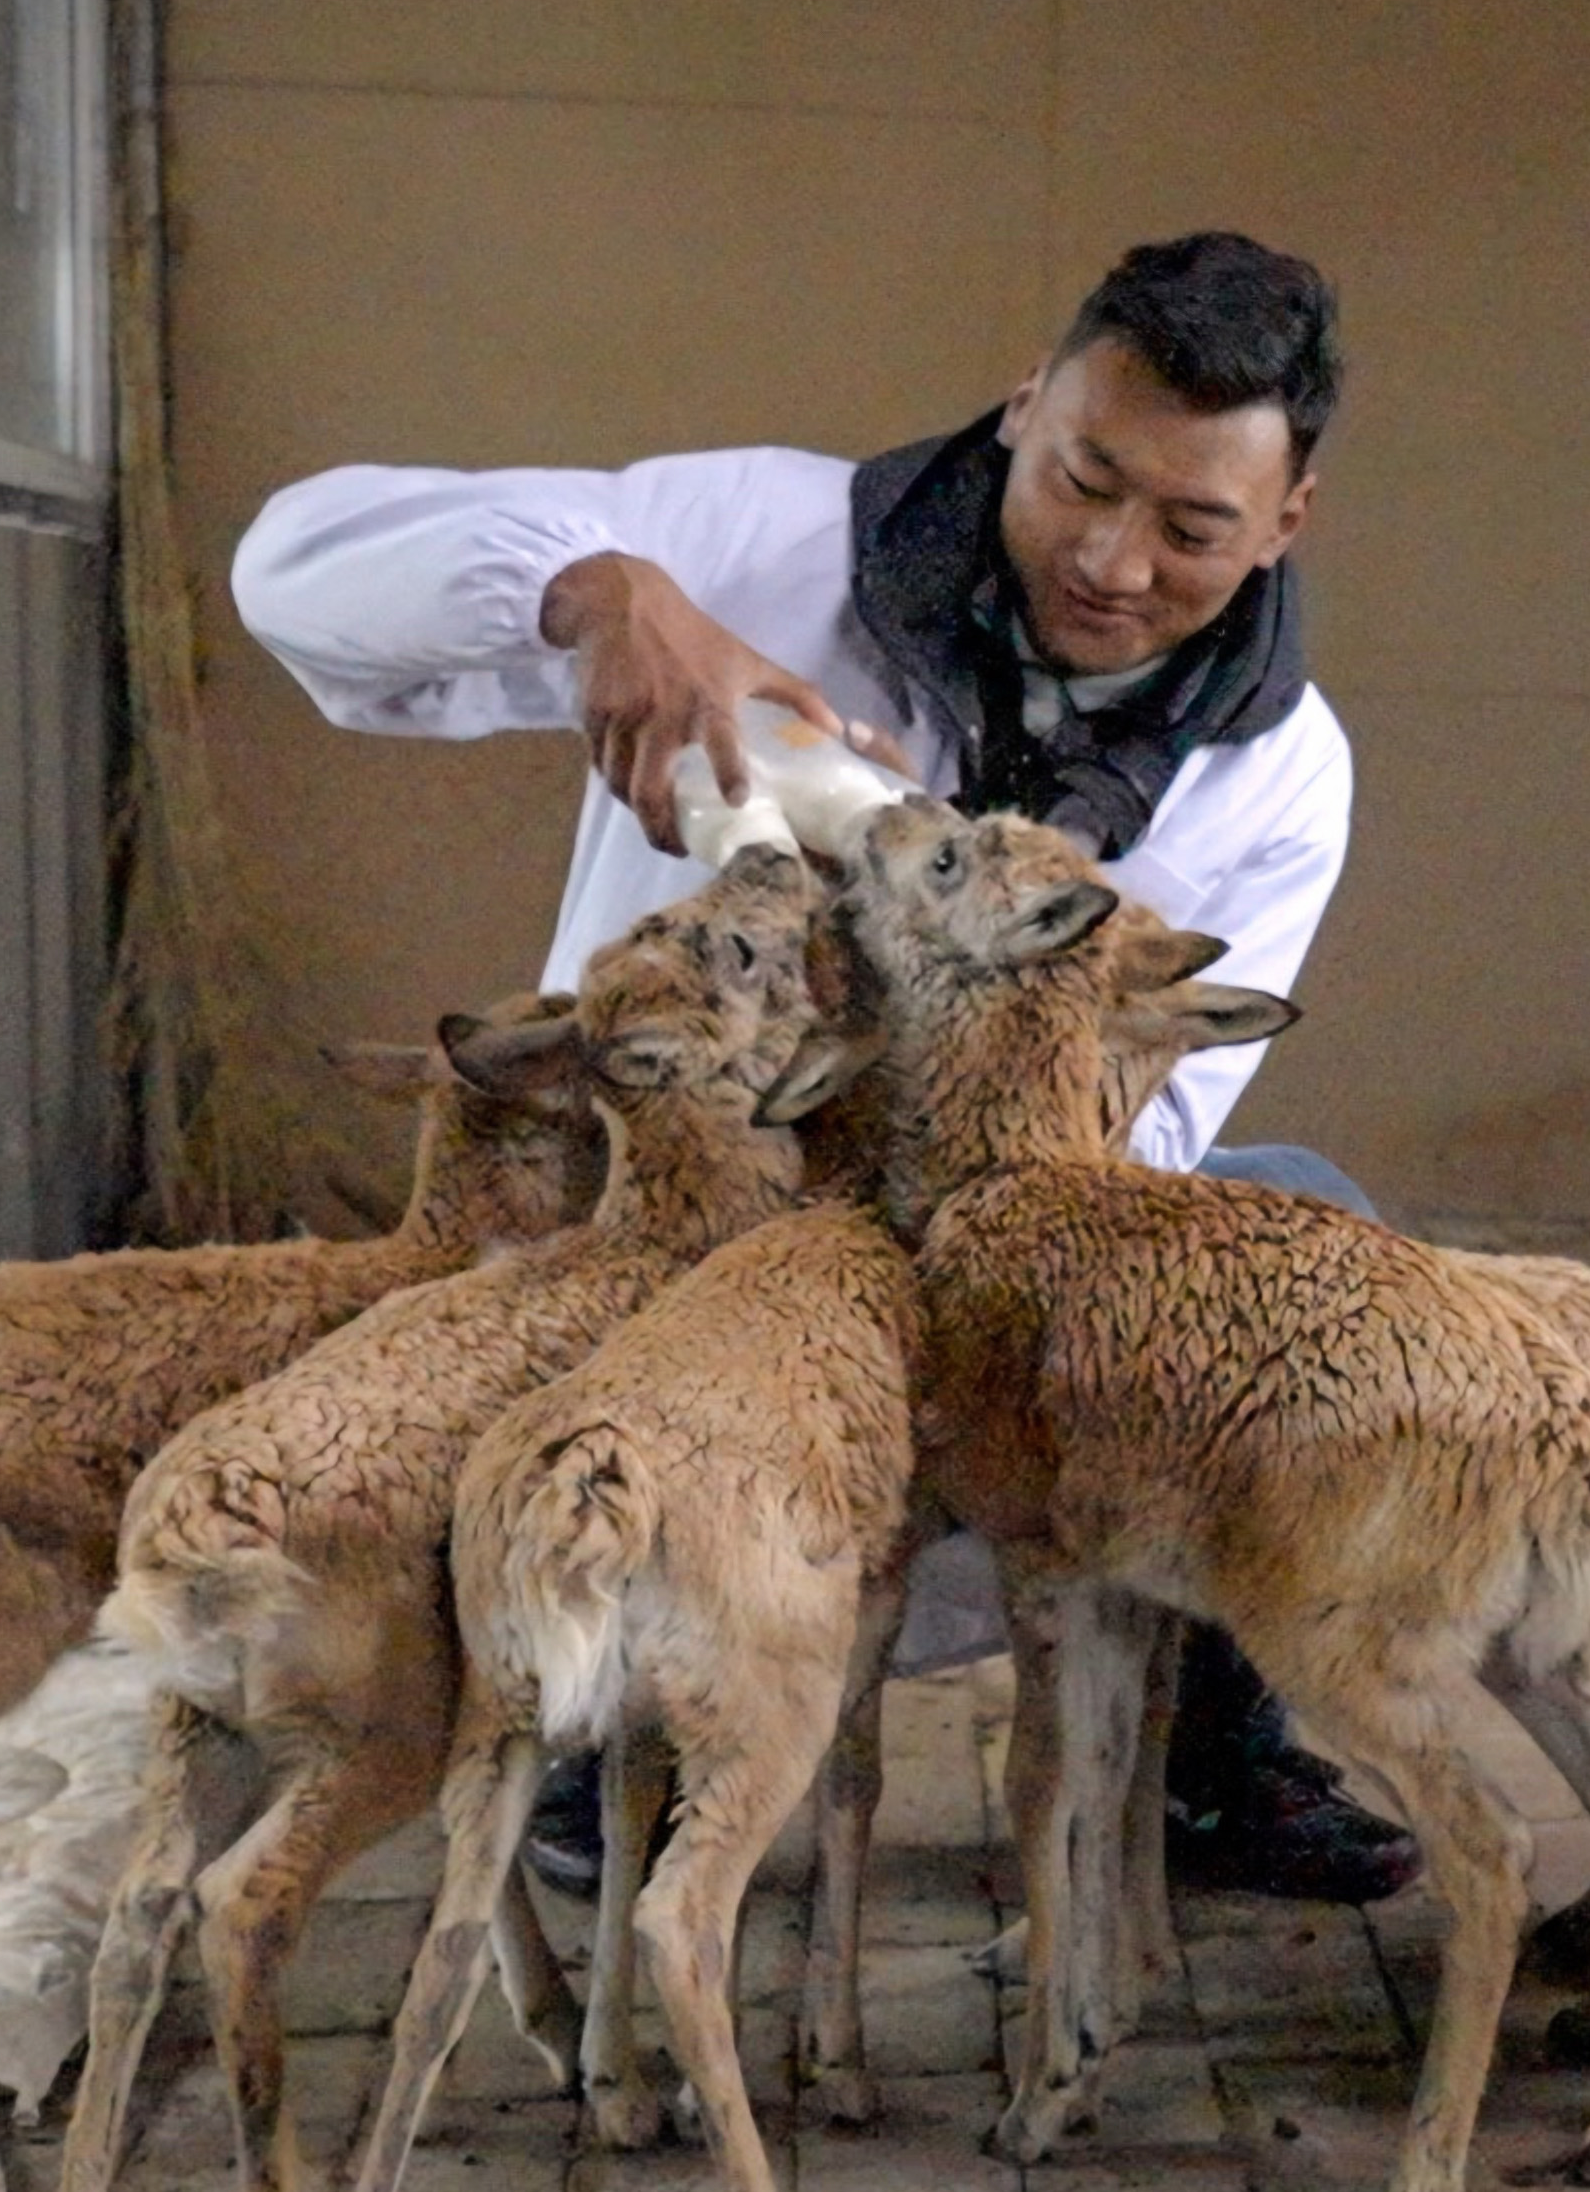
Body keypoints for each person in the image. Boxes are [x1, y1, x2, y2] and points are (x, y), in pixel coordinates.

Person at [228, 228, 1422, 1905]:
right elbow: (292, 566)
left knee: (1297, 1229)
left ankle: (1197, 1758)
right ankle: (600, 1721)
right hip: (661, 1228)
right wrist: (606, 599)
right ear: (1024, 409)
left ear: (1286, 523)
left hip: (938, 1256)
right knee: (546, 1353)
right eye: (1084, 478)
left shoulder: (1279, 773)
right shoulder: (761, 541)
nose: (1111, 557)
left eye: (1190, 528)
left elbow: (1156, 1120)